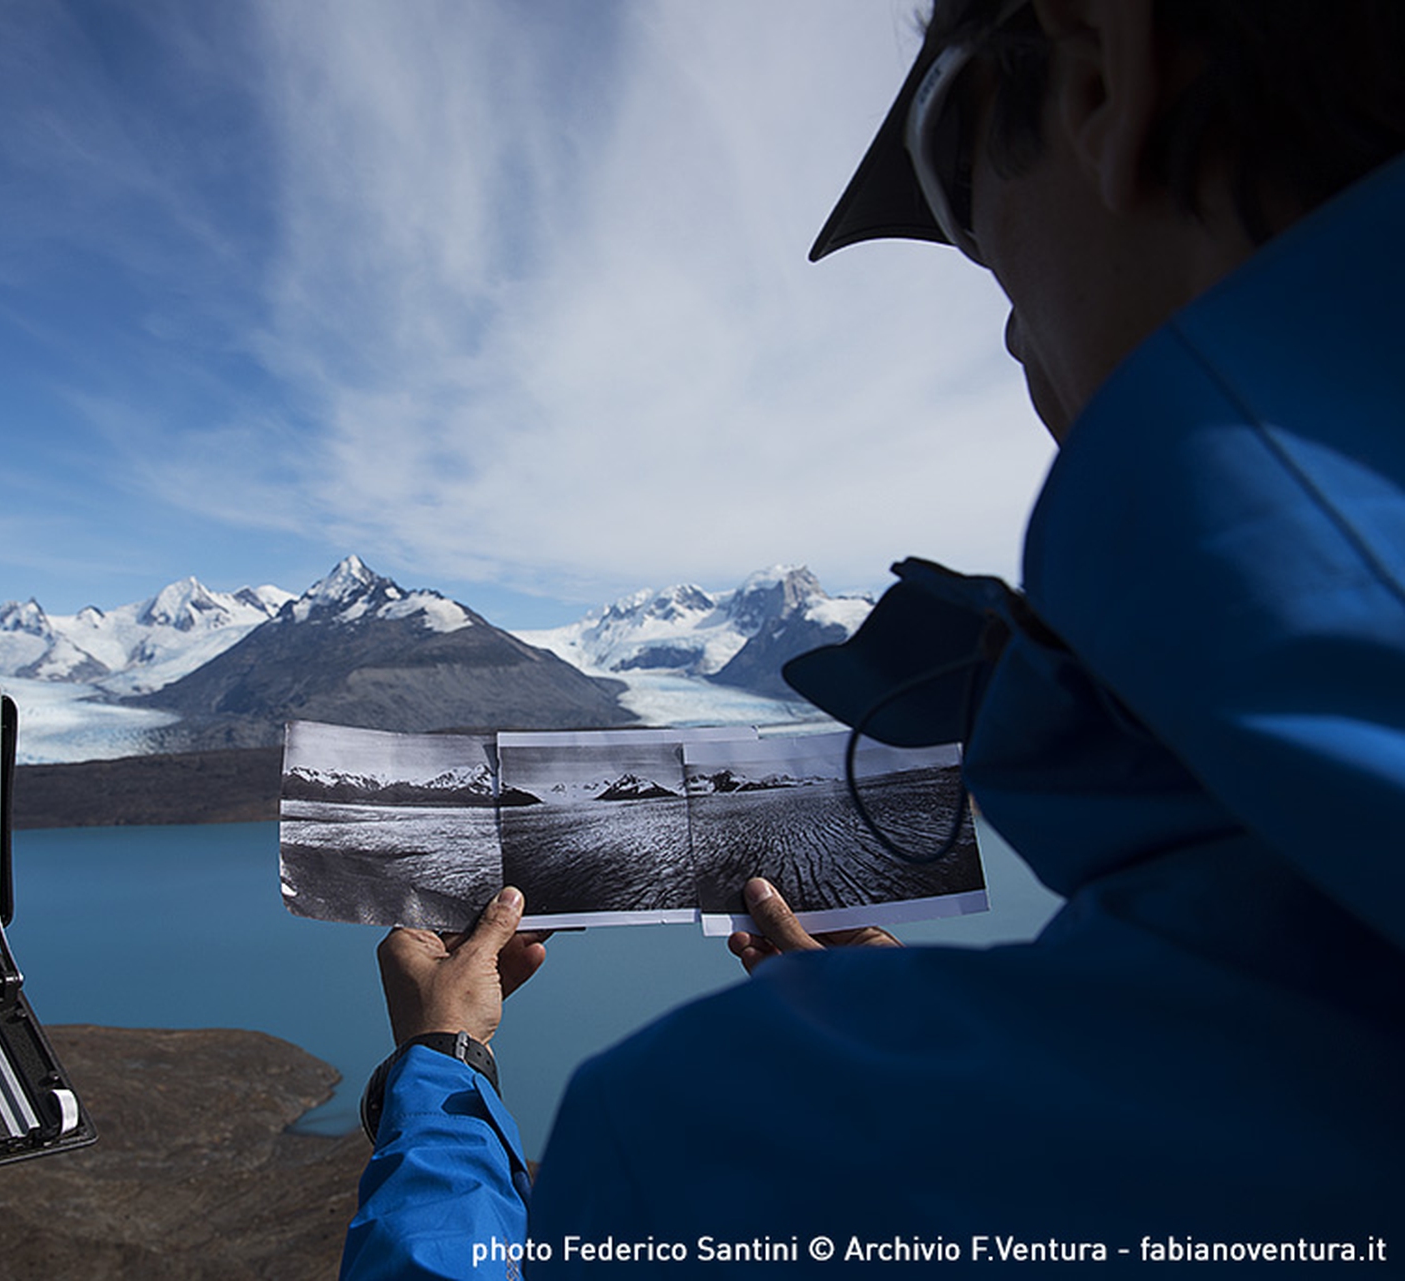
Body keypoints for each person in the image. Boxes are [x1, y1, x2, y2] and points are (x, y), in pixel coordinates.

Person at [341, 0, 1405, 1274]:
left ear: (1103, 83)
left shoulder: (741, 1137)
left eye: (956, 180)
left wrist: (443, 1071)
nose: (1007, 329)